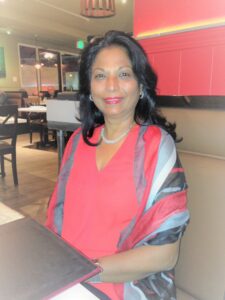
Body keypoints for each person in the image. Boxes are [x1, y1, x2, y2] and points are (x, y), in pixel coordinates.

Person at [46, 30, 189, 300]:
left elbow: (165, 255)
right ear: (89, 89)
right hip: (64, 279)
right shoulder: (78, 142)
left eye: (123, 74)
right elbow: (57, 220)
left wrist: (84, 272)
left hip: (120, 285)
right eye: (100, 75)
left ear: (141, 85)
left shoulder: (157, 145)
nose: (111, 86)